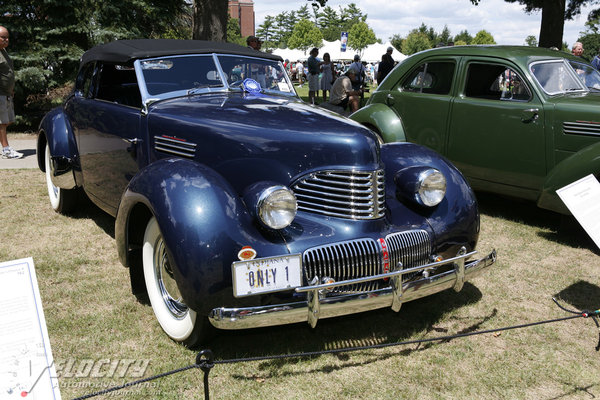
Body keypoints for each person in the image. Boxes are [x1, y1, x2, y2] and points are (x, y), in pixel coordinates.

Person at [0, 26, 21, 159]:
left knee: (6, 122)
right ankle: (6, 150)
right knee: (2, 122)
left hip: (6, 93)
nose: (6, 40)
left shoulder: (3, 51)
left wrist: (10, 89)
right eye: (3, 37)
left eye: (7, 37)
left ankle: (5, 148)